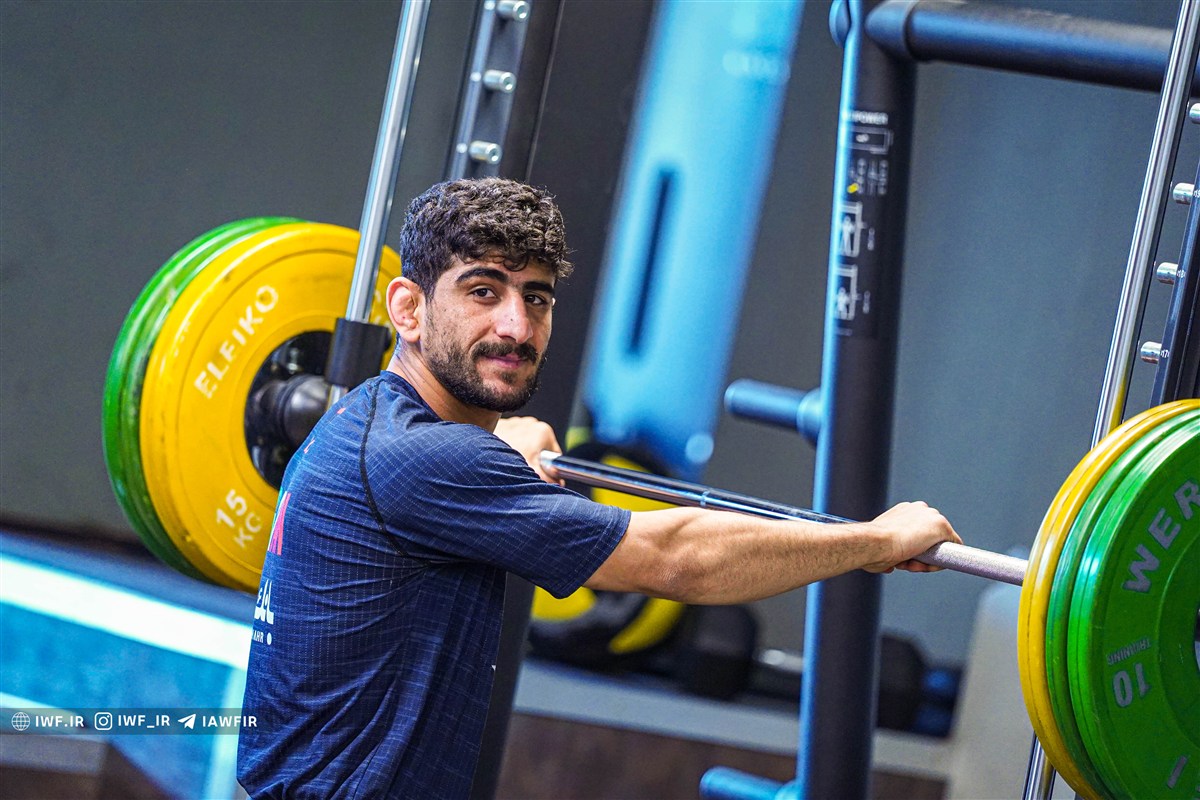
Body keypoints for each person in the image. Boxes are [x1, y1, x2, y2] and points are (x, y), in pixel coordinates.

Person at [236, 177, 960, 799]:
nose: (516, 326)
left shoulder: (368, 422)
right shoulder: (429, 460)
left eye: (537, 299)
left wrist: (499, 451)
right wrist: (873, 541)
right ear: (408, 308)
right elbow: (675, 560)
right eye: (483, 291)